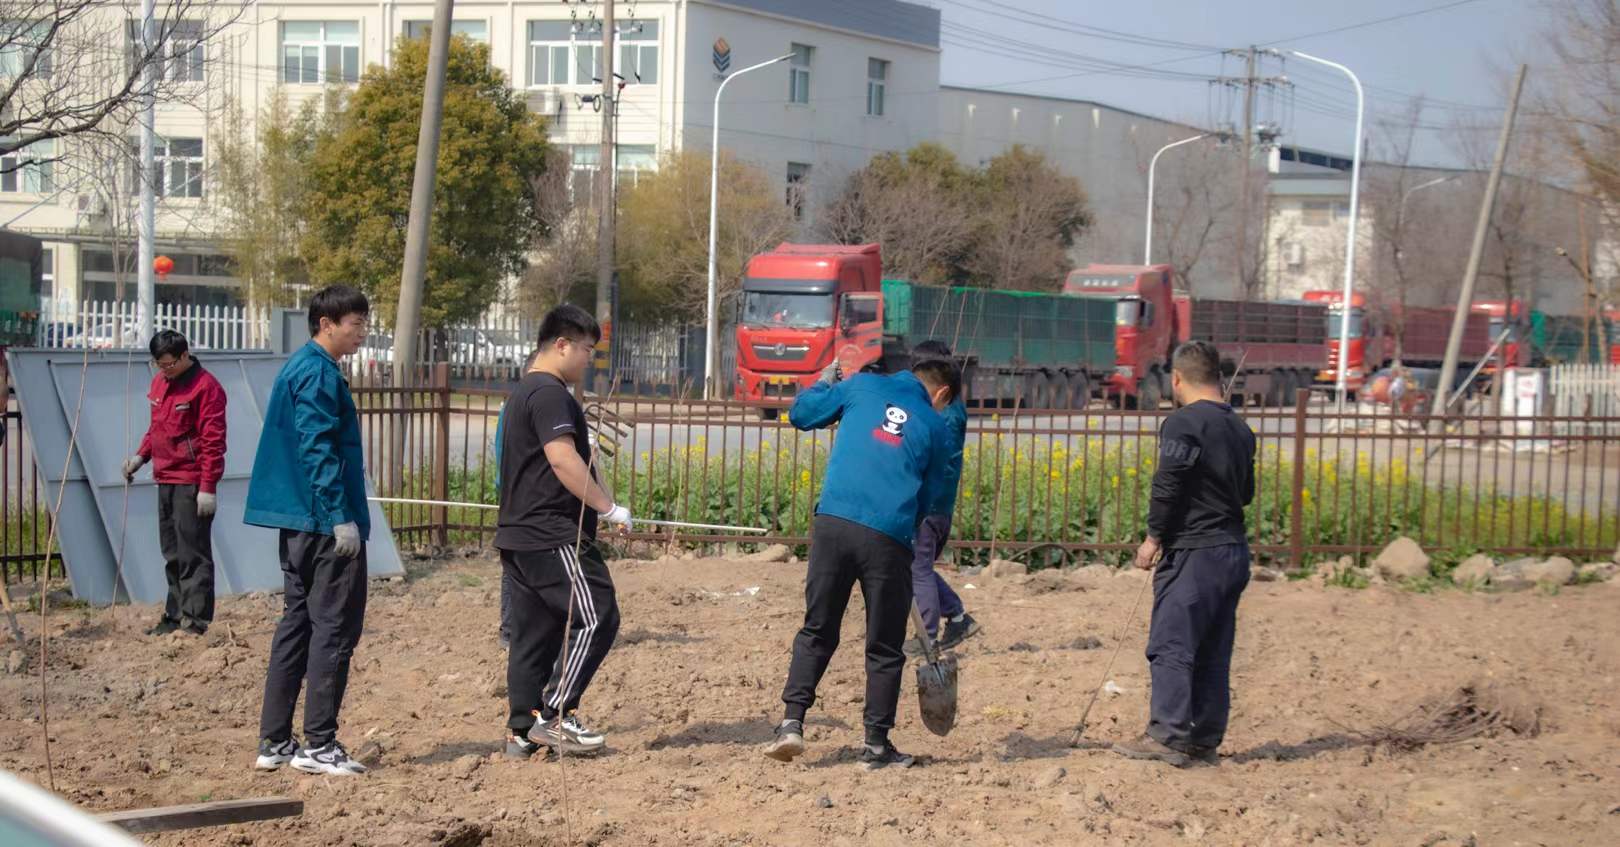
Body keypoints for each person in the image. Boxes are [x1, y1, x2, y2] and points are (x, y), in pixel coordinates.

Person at [764, 355, 960, 771]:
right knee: (885, 646)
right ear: (941, 394)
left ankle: (791, 723)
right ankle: (875, 746)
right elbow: (930, 498)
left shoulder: (859, 387)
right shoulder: (936, 427)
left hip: (833, 522)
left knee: (817, 628)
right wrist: (906, 529)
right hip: (889, 535)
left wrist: (822, 382)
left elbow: (801, 414)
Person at [245, 285, 373, 777]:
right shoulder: (317, 373)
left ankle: (276, 741)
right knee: (334, 629)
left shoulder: (301, 367)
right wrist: (340, 514)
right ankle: (319, 744)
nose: (362, 333)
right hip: (322, 524)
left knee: (296, 626)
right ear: (326, 324)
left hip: (300, 522)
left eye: (364, 323)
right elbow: (317, 449)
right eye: (355, 324)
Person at [496, 304, 632, 760]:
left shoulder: (524, 393)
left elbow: (575, 457)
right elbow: (562, 461)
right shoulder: (552, 394)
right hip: (551, 535)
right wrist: (608, 508)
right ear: (561, 345)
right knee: (599, 617)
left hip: (518, 536)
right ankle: (554, 714)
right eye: (586, 350)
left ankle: (521, 731)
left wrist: (594, 470)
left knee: (533, 635)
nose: (588, 360)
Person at [1114, 340, 1255, 768]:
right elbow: (1245, 494)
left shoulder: (1183, 424)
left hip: (1195, 552)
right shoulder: (1241, 428)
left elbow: (1169, 484)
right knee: (1214, 648)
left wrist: (1154, 538)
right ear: (1216, 375)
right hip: (1233, 551)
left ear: (1177, 379)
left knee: (1172, 644)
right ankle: (1205, 738)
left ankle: (1168, 735)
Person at [121, 330, 227, 637]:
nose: (163, 370)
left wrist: (207, 487)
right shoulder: (159, 383)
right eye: (158, 364)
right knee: (172, 552)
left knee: (193, 552)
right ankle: (174, 614)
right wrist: (141, 457)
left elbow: (213, 441)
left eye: (168, 364)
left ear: (184, 356)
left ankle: (195, 620)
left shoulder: (206, 388)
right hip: (165, 477)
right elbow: (157, 428)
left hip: (191, 482)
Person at [904, 340, 978, 654]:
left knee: (917, 568)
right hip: (937, 506)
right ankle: (959, 617)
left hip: (931, 506)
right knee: (917, 566)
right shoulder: (949, 409)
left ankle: (928, 635)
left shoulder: (945, 416)